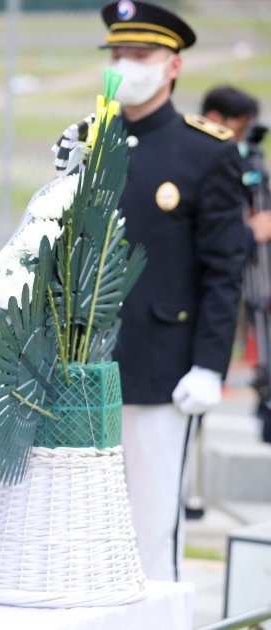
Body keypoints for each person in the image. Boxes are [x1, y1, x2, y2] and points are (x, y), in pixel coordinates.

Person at [92, 1, 246, 581]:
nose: (125, 66)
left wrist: (209, 364)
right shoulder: (87, 140)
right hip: (84, 366)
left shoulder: (206, 151)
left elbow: (223, 268)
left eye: (141, 54)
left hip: (162, 368)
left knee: (151, 529)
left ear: (173, 65)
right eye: (117, 53)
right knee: (84, 523)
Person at [202, 85, 271, 443]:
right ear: (216, 118)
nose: (242, 137)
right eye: (239, 127)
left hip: (253, 270)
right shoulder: (200, 159)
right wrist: (248, 231)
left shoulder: (248, 162)